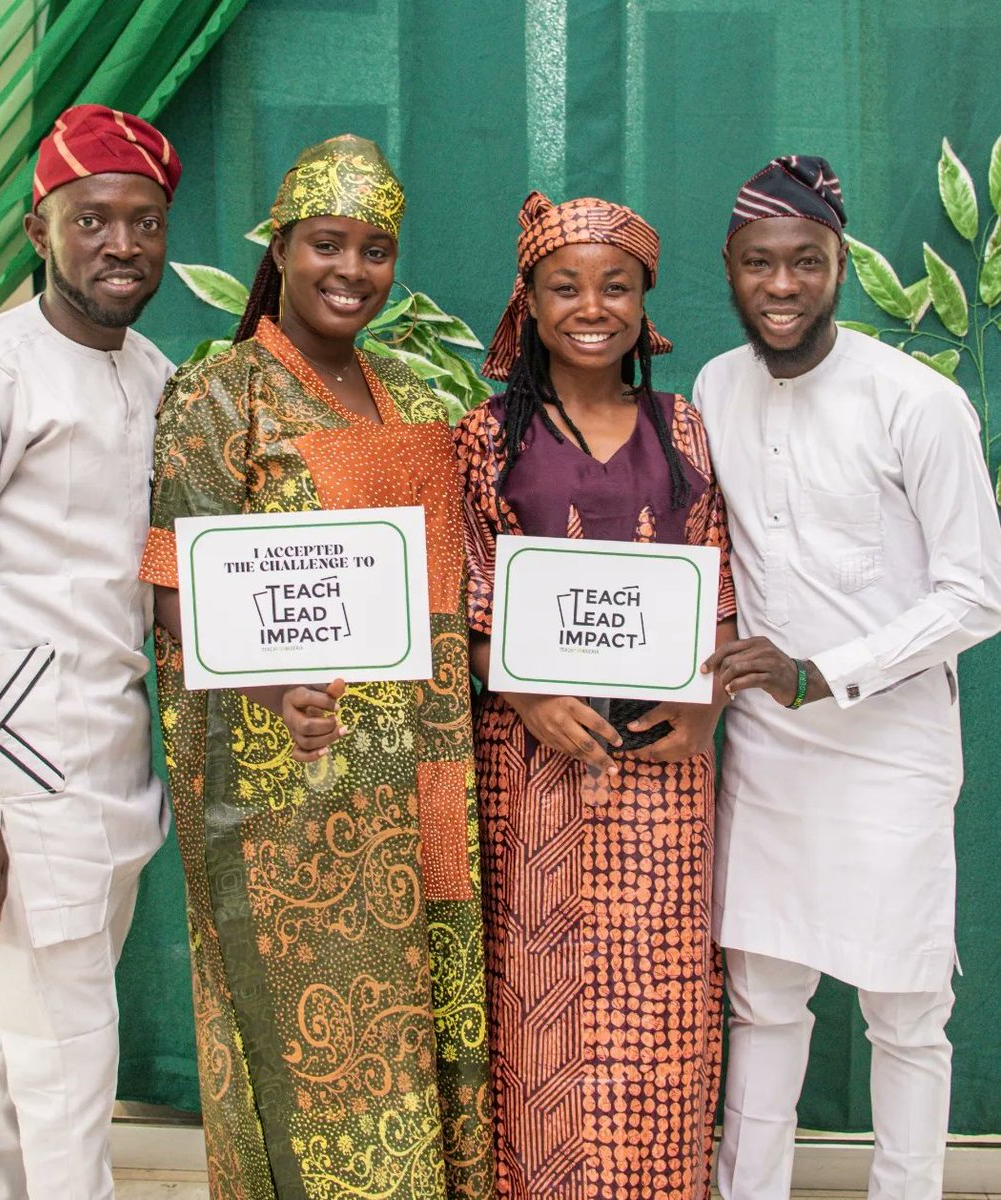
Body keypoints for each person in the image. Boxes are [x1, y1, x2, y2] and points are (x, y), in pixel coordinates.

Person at [139, 134, 492, 1200]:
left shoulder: (416, 393)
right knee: (319, 1052)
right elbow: (168, 585)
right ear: (282, 249)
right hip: (296, 787)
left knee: (423, 1036)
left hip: (427, 779)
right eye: (326, 245)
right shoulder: (222, 397)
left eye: (375, 249)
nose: (351, 271)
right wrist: (265, 687)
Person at [694, 155, 1001, 1200]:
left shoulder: (916, 401)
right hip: (769, 755)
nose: (781, 286)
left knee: (905, 1010)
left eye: (806, 262)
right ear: (728, 269)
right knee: (763, 1000)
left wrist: (823, 673)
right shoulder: (714, 388)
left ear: (837, 266)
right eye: (758, 264)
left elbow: (977, 595)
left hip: (890, 753)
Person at [0, 104, 181, 1198]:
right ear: (38, 227)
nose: (121, 245)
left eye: (144, 222)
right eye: (93, 219)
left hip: (117, 764)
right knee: (69, 1069)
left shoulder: (153, 370)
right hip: (22, 777)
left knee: (25, 1057)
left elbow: (150, 580)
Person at [454, 190, 736, 1200]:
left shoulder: (685, 425)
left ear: (645, 299)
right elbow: (468, 596)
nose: (591, 305)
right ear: (526, 301)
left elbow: (719, 584)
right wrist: (524, 697)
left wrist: (704, 700)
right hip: (531, 762)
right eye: (564, 285)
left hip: (662, 764)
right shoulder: (487, 434)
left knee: (656, 1001)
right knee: (541, 995)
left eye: (615, 285)